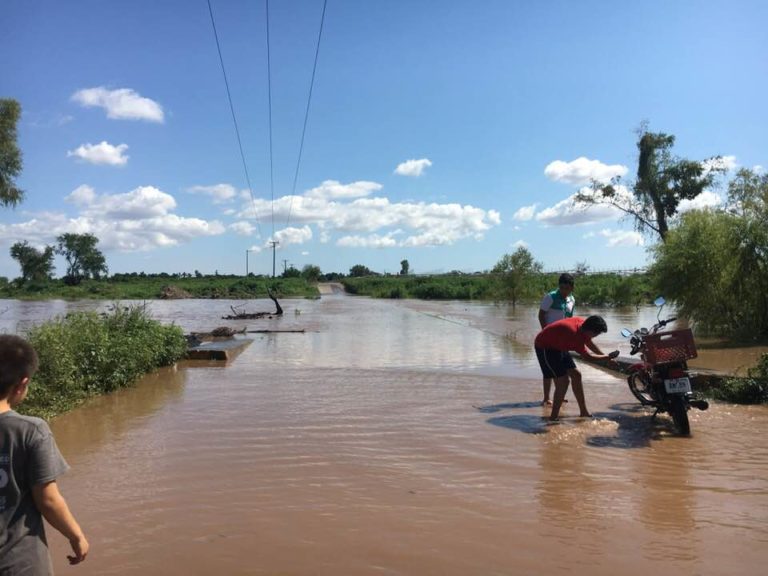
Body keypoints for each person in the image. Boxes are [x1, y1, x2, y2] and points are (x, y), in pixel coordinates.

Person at [0, 334, 89, 574]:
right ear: (21, 384)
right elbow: (48, 500)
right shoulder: (31, 430)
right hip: (18, 562)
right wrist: (76, 535)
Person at [534, 315, 619, 421]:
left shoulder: (583, 324)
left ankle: (583, 411)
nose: (596, 336)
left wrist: (607, 358)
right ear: (590, 330)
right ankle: (553, 417)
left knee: (576, 375)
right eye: (596, 334)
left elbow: (589, 342)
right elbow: (588, 357)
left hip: (560, 344)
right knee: (563, 382)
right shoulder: (574, 335)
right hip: (545, 347)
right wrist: (607, 357)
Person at [538, 273, 576, 405]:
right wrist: (545, 331)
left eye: (567, 288)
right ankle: (546, 397)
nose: (564, 291)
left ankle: (559, 394)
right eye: (562, 288)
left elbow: (570, 319)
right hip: (548, 337)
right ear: (559, 286)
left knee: (560, 368)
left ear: (572, 288)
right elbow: (541, 315)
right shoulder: (550, 297)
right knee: (548, 369)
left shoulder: (571, 300)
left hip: (563, 338)